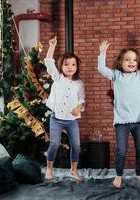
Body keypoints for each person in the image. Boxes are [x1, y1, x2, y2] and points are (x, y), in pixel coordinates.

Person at [98, 34, 140, 188]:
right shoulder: (116, 76)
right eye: (127, 59)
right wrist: (102, 54)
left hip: (138, 121)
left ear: (137, 63)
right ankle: (118, 175)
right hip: (122, 122)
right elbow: (101, 69)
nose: (131, 62)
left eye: (134, 60)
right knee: (121, 150)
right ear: (121, 62)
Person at [44, 36, 85, 181]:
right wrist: (52, 46)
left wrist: (78, 109)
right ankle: (49, 169)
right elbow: (49, 62)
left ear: (76, 67)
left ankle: (73, 170)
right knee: (54, 143)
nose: (70, 67)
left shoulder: (79, 83)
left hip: (71, 120)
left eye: (73, 65)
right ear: (61, 66)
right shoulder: (58, 77)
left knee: (76, 145)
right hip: (56, 119)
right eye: (66, 64)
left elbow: (81, 99)